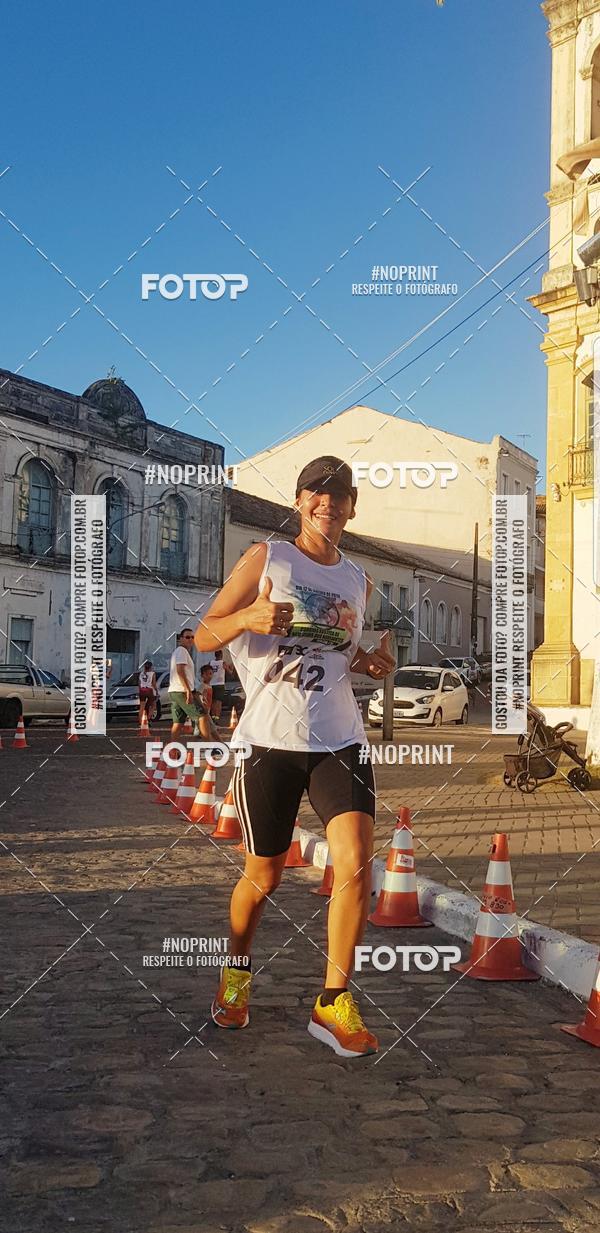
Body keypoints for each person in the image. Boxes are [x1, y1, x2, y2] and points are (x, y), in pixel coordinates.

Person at [195, 455, 396, 1057]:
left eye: (338, 497)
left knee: (356, 861)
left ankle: (332, 1001)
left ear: (353, 507)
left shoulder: (358, 581)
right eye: (316, 494)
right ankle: (235, 975)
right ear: (300, 501)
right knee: (265, 874)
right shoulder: (268, 557)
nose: (326, 505)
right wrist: (249, 616)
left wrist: (368, 663)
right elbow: (205, 631)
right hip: (269, 743)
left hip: (339, 737)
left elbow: (343, 653)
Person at [169, 629, 220, 740]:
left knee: (178, 723)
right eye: (187, 637)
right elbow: (180, 670)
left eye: (192, 637)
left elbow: (185, 673)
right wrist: (188, 690)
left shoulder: (181, 652)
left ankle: (171, 750)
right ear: (180, 639)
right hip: (181, 690)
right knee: (202, 716)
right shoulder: (182, 651)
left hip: (175, 690)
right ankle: (210, 746)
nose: (190, 640)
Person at [208, 649, 226, 723]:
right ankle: (217, 718)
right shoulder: (223, 663)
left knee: (212, 702)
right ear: (221, 655)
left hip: (212, 683)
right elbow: (230, 672)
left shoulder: (211, 662)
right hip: (220, 683)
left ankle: (212, 717)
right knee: (218, 702)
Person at [138, 660, 157, 726]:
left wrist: (140, 690)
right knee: (153, 705)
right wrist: (156, 691)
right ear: (151, 667)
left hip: (142, 690)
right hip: (150, 690)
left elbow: (139, 683)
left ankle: (140, 722)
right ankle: (148, 719)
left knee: (142, 707)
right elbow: (153, 683)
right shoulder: (152, 673)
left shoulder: (141, 673)